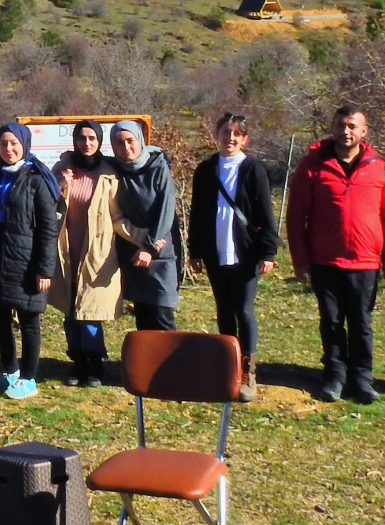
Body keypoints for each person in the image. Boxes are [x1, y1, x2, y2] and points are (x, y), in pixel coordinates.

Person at [286, 104, 385, 404]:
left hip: (365, 261)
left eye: (352, 126)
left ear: (364, 131)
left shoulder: (380, 167)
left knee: (361, 323)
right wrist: (300, 260)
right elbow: (296, 215)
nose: (346, 131)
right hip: (326, 260)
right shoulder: (313, 164)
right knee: (332, 321)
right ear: (333, 128)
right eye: (341, 125)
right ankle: (335, 374)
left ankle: (362, 376)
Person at [187, 113, 279, 402]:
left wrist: (268, 251)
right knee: (224, 309)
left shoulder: (253, 170)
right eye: (226, 132)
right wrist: (196, 250)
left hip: (246, 252)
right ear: (217, 135)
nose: (230, 138)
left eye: (236, 134)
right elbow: (198, 211)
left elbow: (265, 213)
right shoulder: (205, 170)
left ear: (244, 139)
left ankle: (247, 371)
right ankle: (227, 365)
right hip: (216, 250)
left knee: (243, 309)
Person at [0, 121, 59, 400]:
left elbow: (49, 229)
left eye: (14, 143)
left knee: (28, 320)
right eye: (3, 144)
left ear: (25, 145)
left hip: (26, 261)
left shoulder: (37, 180)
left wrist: (44, 268)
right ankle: (10, 371)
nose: (9, 149)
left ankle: (29, 378)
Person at [48, 120, 123, 387]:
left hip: (97, 250)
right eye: (82, 138)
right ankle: (77, 362)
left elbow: (118, 215)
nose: (87, 143)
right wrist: (59, 185)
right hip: (67, 247)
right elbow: (47, 205)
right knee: (70, 309)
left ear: (99, 141)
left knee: (90, 311)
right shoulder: (62, 168)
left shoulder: (109, 173)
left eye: (92, 138)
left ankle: (95, 366)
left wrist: (144, 240)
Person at [108, 120, 179, 331]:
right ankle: (146, 363)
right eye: (119, 143)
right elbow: (87, 158)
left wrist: (149, 247)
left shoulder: (158, 167)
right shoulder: (115, 169)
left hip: (160, 252)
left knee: (162, 315)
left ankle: (169, 364)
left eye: (130, 141)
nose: (126, 147)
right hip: (132, 254)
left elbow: (166, 211)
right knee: (143, 316)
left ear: (139, 140)